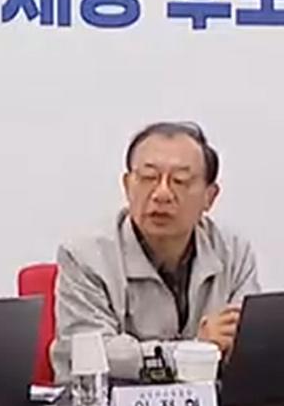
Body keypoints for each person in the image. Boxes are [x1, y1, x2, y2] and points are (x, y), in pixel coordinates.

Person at [53, 121, 259, 382]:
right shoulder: (85, 256)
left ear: (210, 196)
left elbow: (249, 345)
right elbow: (87, 352)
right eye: (149, 178)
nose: (162, 194)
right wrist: (193, 351)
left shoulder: (233, 252)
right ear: (127, 186)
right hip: (112, 403)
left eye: (180, 181)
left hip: (211, 404)